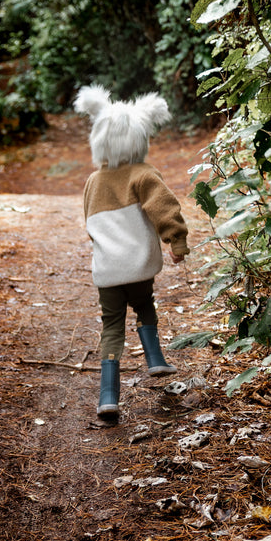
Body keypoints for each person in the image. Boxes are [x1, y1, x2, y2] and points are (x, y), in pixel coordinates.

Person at [74, 85, 190, 422]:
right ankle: (155, 359)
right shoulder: (143, 174)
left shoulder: (93, 182)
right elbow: (164, 208)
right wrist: (176, 241)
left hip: (108, 272)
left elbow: (89, 223)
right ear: (140, 139)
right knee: (143, 306)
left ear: (100, 140)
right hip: (138, 268)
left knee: (111, 327)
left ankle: (108, 397)